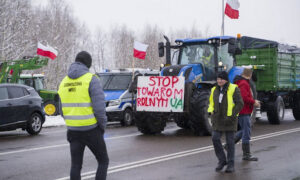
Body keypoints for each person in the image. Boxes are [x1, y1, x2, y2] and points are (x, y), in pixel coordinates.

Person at [58, 51, 109, 180]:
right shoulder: (91, 79)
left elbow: (61, 110)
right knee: (103, 161)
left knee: (75, 165)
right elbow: (99, 108)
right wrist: (102, 126)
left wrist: (72, 122)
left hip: (73, 131)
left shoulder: (63, 82)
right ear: (88, 64)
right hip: (91, 130)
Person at [208, 71, 244, 173]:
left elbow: (240, 103)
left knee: (230, 142)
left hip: (230, 119)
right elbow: (211, 103)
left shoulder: (233, 88)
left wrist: (232, 115)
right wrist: (211, 113)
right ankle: (222, 160)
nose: (219, 81)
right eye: (218, 79)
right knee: (215, 138)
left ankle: (231, 164)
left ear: (226, 79)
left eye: (221, 79)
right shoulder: (214, 89)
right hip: (218, 119)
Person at [233, 68, 260, 161]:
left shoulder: (240, 82)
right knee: (246, 132)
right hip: (244, 111)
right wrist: (254, 102)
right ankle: (246, 154)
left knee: (245, 130)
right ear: (250, 74)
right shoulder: (244, 83)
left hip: (243, 110)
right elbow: (244, 97)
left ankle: (229, 144)